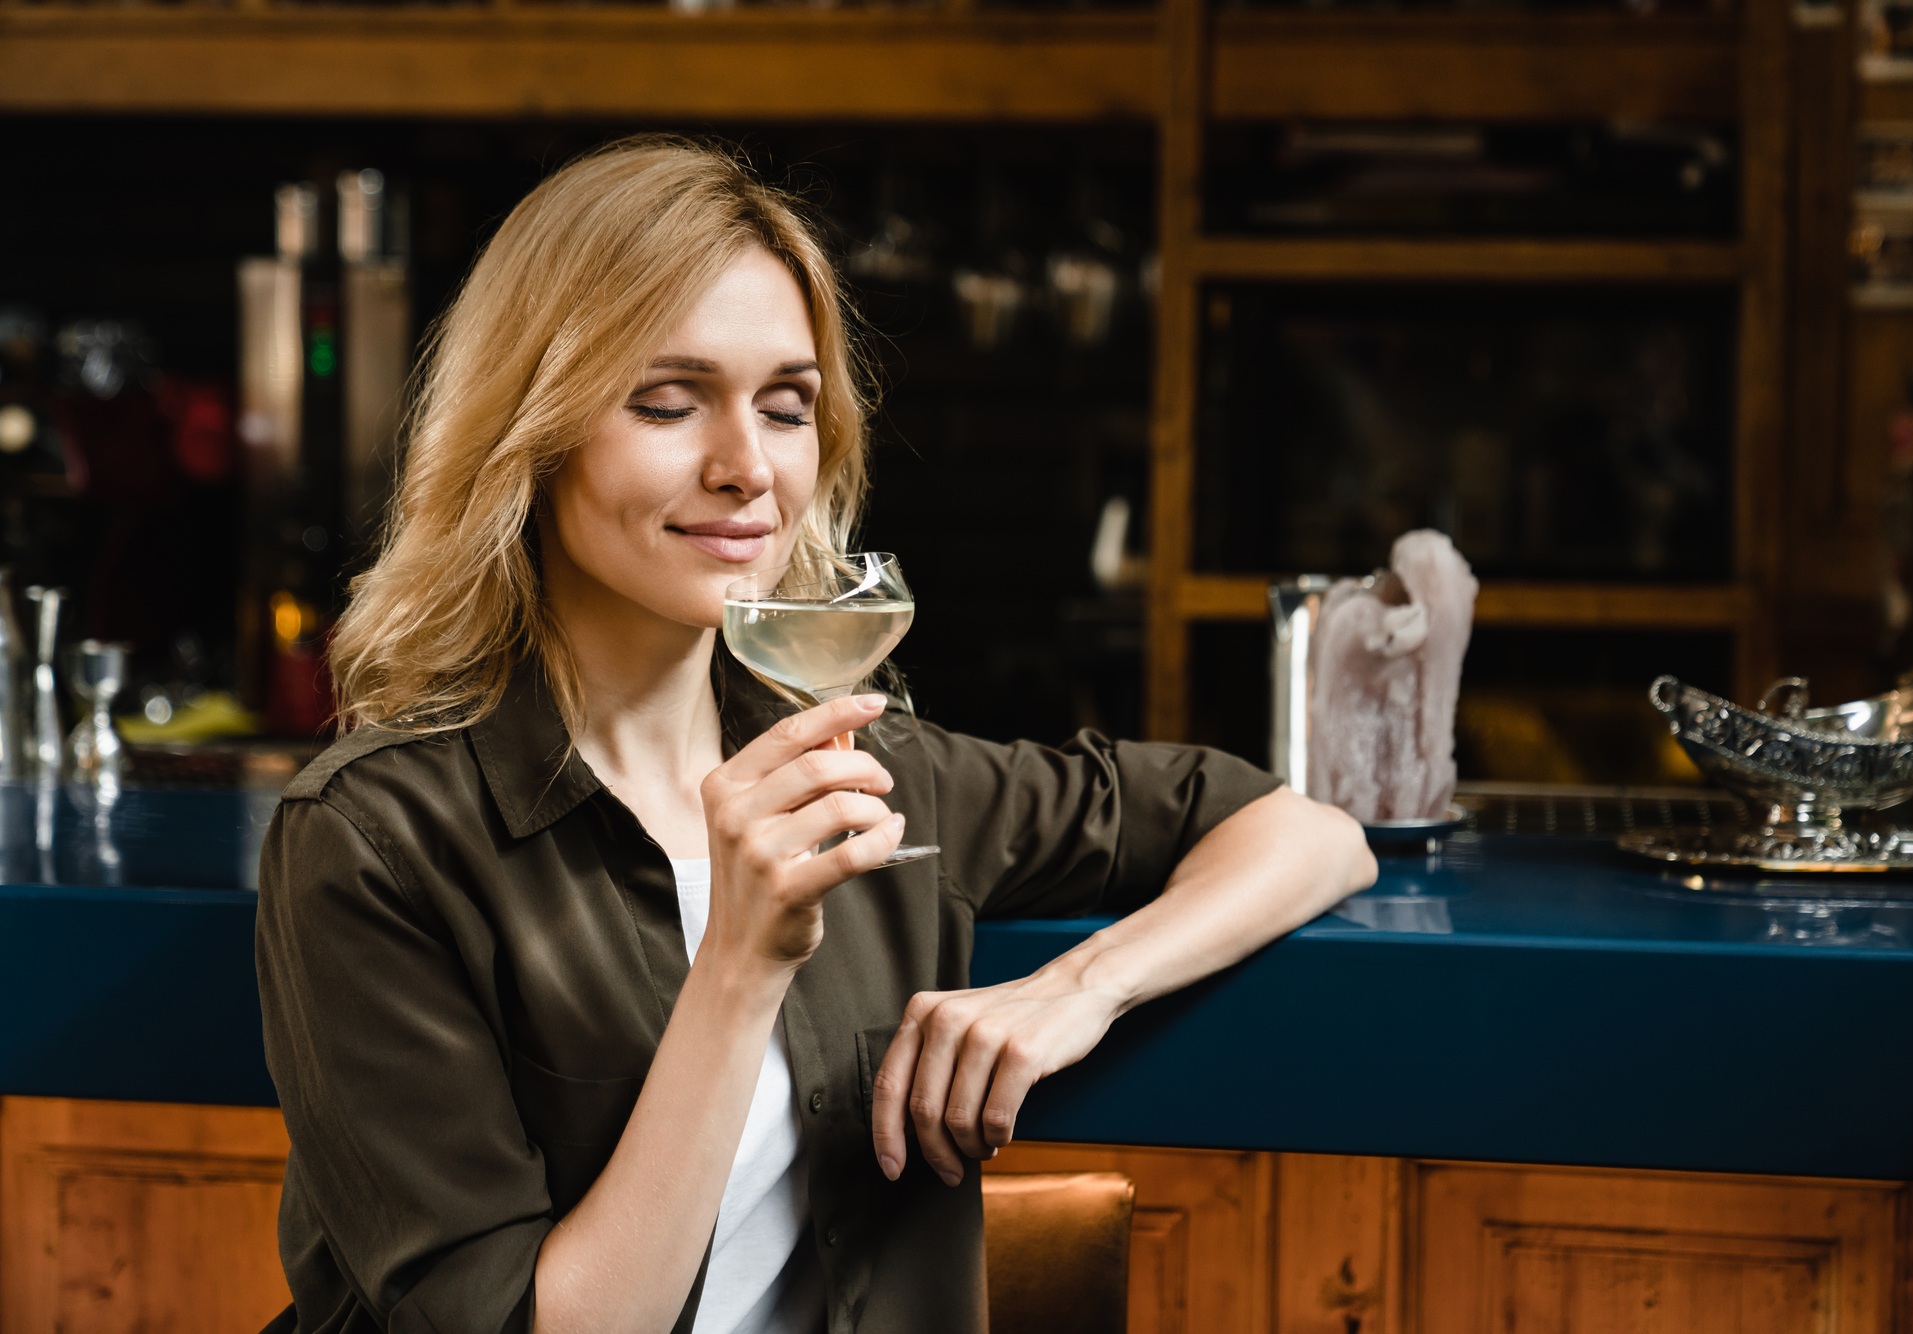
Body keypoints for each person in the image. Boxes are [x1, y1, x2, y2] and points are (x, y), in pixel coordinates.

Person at [255, 137, 1377, 1334]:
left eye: (786, 406)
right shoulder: (377, 841)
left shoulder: (875, 773)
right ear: (529, 432)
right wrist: (738, 964)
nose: (747, 468)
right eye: (665, 402)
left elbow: (1302, 831)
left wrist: (1071, 992)